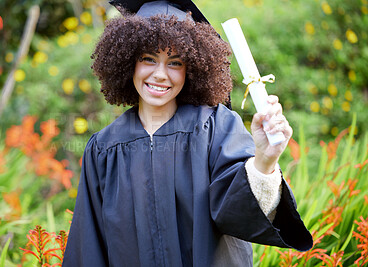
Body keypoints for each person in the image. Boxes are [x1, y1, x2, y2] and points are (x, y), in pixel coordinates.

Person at [62, 0, 313, 266]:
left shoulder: (216, 127)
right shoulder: (104, 148)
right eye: (148, 58)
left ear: (192, 69)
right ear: (127, 61)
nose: (160, 75)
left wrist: (264, 158)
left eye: (174, 62)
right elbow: (88, 245)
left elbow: (237, 213)